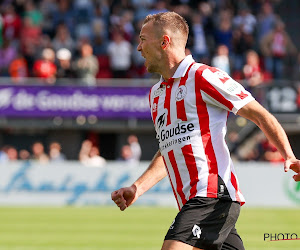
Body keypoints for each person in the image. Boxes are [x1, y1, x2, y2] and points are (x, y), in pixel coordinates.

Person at [111, 12, 300, 250]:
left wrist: (288, 154)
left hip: (211, 195)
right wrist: (137, 188)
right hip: (197, 203)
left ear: (164, 42)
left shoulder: (203, 76)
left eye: (142, 39)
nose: (138, 47)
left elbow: (259, 114)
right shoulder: (156, 95)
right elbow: (170, 149)